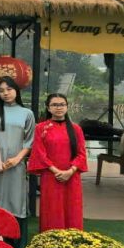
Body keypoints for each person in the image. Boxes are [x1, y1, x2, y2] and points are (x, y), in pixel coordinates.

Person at [0, 76, 36, 248]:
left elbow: (29, 141)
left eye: (9, 89)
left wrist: (17, 158)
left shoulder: (26, 113)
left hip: (16, 166)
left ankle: (18, 246)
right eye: (1, 90)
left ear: (16, 90)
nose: (5, 93)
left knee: (16, 202)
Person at [28, 94, 87, 232]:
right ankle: (50, 240)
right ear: (48, 108)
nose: (58, 107)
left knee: (72, 208)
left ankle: (73, 240)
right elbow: (39, 153)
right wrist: (56, 171)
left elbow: (82, 154)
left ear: (67, 107)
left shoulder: (76, 129)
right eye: (54, 105)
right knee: (52, 209)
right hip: (51, 176)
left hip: (72, 176)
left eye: (62, 104)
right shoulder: (41, 128)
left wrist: (70, 171)